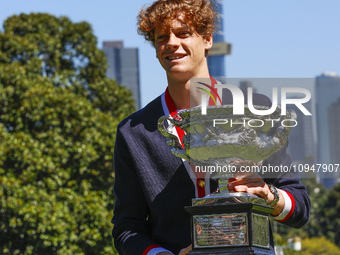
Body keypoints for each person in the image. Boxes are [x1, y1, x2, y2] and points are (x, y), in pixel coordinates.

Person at [111, 0, 311, 254]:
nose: (171, 42)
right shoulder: (134, 132)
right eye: (162, 37)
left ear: (207, 39)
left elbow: (300, 207)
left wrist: (268, 195)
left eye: (183, 33)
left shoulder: (257, 112)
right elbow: (127, 228)